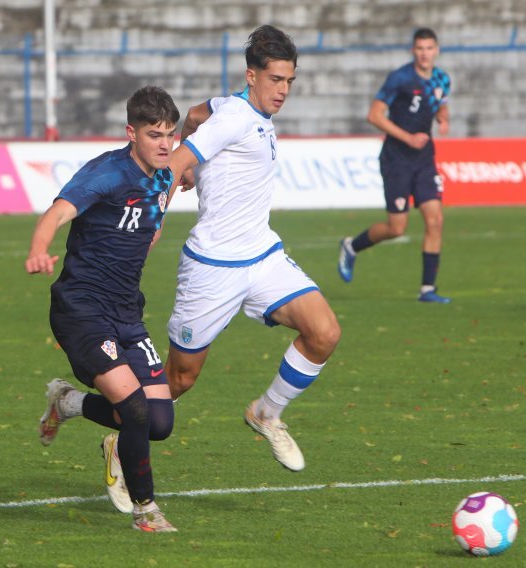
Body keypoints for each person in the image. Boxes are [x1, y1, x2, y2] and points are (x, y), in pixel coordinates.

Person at [164, 25, 341, 473]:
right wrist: (156, 217)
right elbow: (176, 161)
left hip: (262, 257)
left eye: (289, 82)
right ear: (251, 75)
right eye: (275, 80)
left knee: (323, 333)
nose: (283, 91)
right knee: (179, 380)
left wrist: (189, 141)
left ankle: (266, 412)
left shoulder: (231, 105)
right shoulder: (235, 118)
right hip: (212, 267)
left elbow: (195, 111)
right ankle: (118, 438)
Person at [25, 86, 179, 532]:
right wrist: (39, 250)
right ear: (132, 133)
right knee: (132, 410)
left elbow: (150, 226)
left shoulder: (164, 177)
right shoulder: (106, 173)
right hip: (81, 308)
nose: (165, 143)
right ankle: (145, 511)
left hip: (127, 311)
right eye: (155, 134)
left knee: (160, 422)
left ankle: (67, 402)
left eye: (170, 133)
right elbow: (55, 214)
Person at [338, 27, 452, 303]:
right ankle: (352, 246)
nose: (425, 54)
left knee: (435, 220)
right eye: (420, 49)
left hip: (424, 159)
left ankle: (427, 289)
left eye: (429, 48)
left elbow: (441, 103)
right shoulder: (400, 78)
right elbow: (374, 115)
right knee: (396, 227)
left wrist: (443, 118)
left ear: (436, 50)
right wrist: (408, 137)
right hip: (397, 159)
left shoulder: (442, 78)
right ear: (414, 51)